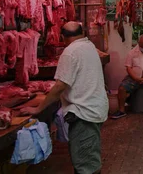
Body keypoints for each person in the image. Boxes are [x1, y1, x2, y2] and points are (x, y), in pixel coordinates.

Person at [21, 22, 108, 174]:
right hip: (94, 108)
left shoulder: (70, 52)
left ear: (63, 37)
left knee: (86, 164)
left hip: (84, 113)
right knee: (87, 158)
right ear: (82, 33)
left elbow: (60, 86)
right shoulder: (89, 46)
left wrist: (38, 108)